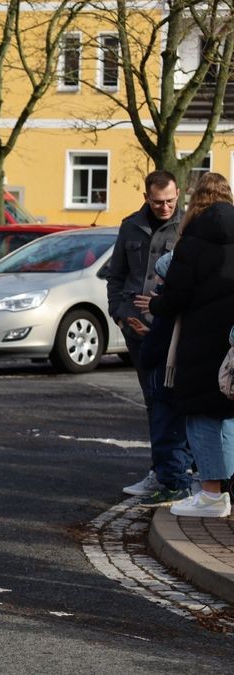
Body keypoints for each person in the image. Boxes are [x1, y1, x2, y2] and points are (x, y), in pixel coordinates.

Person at [137, 173, 234, 518]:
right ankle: (226, 490)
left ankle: (210, 495)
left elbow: (176, 295)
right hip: (232, 340)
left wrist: (155, 305)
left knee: (203, 416)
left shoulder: (192, 241)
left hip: (202, 342)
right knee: (230, 416)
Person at [106, 171, 183, 497]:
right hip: (137, 329)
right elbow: (116, 275)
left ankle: (178, 472)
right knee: (153, 402)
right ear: (146, 197)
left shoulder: (188, 227)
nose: (164, 207)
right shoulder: (130, 225)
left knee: (176, 402)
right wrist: (119, 314)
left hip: (172, 330)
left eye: (169, 201)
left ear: (178, 194)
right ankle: (159, 470)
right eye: (157, 202)